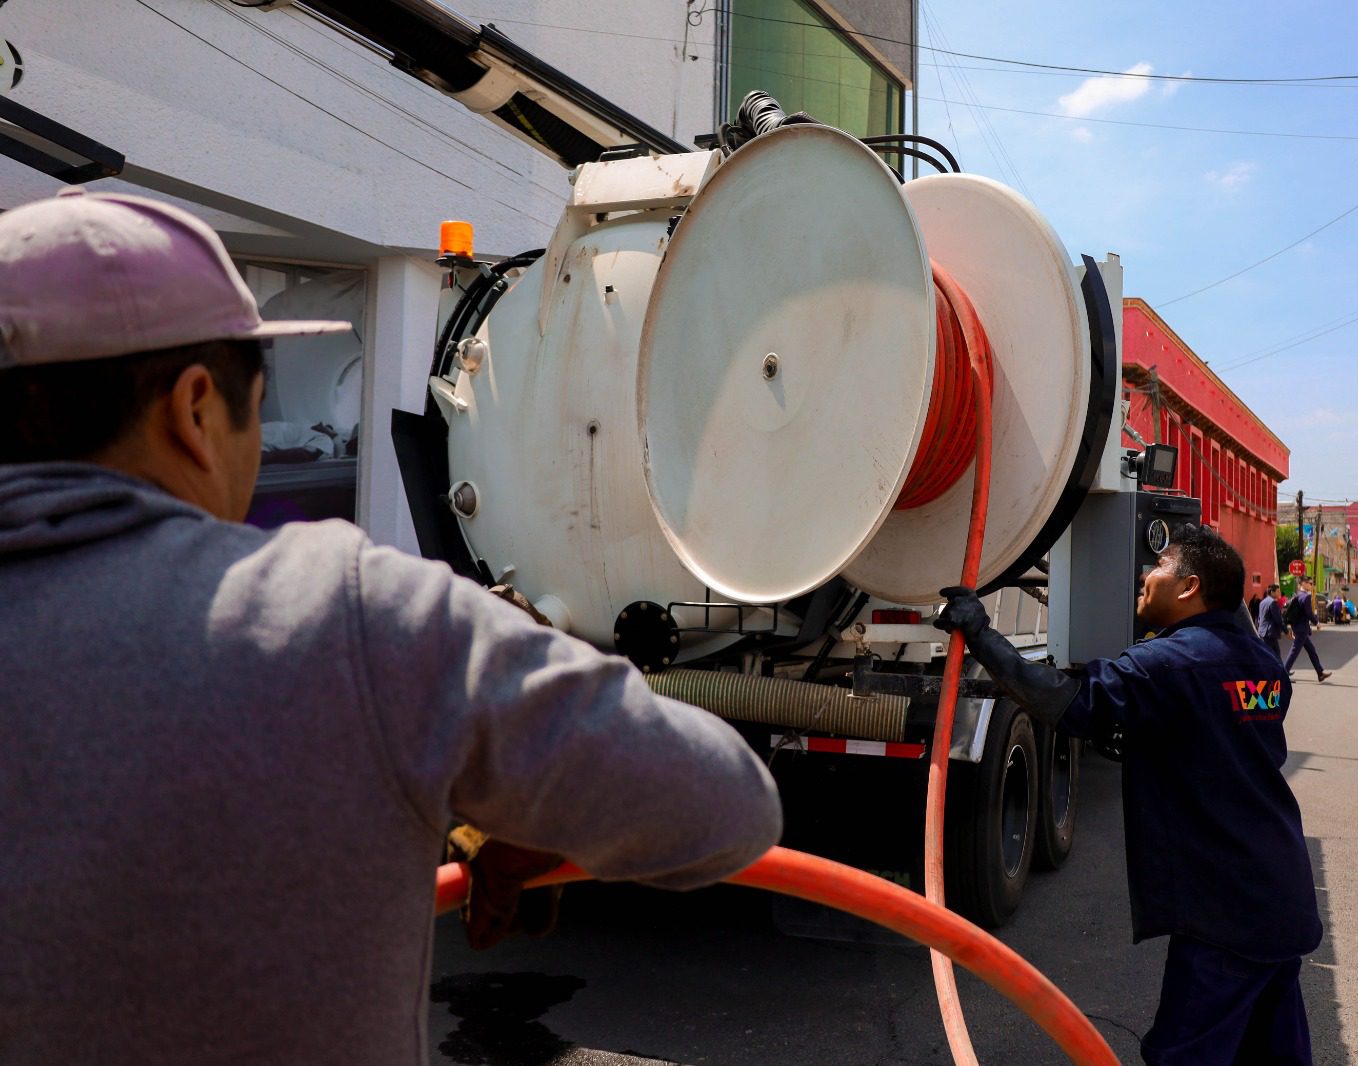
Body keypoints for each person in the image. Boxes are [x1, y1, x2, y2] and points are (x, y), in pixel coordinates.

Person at [0, 190, 783, 1062]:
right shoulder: (353, 620)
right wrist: (500, 802)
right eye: (256, 408)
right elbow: (725, 806)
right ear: (192, 411)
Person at [936, 524, 1322, 1065]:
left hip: (1224, 915)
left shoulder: (1166, 665)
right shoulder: (1261, 667)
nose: (1144, 575)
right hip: (1280, 897)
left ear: (1188, 588)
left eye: (1159, 567)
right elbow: (1216, 728)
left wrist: (982, 633)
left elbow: (1067, 704)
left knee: (1181, 1055)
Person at [1284, 580, 1333, 682]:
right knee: (1294, 651)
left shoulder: (1298, 595)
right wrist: (1317, 623)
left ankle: (1320, 673)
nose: (1312, 585)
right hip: (1302, 629)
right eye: (1310, 583)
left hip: (1298, 627)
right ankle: (1283, 674)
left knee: (1311, 650)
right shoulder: (1305, 596)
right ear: (1303, 584)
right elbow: (1308, 613)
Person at [1257, 584, 1287, 660]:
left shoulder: (1262, 602)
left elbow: (1260, 618)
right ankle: (1279, 670)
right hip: (1270, 633)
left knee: (1274, 654)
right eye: (1277, 591)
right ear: (1272, 592)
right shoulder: (1272, 603)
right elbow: (1278, 620)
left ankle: (1281, 671)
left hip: (1263, 632)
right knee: (1272, 655)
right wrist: (1286, 631)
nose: (1279, 593)